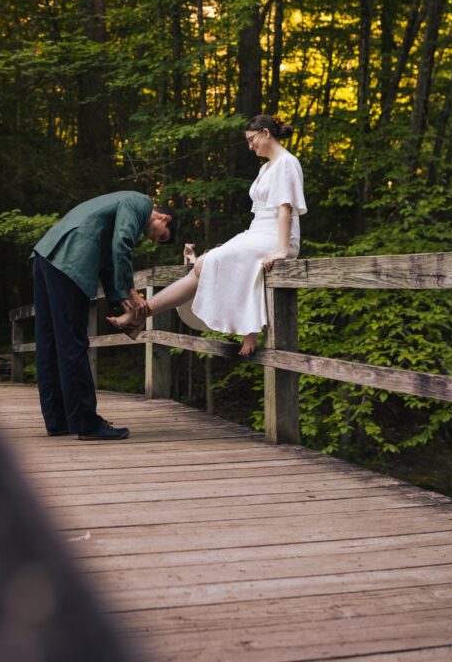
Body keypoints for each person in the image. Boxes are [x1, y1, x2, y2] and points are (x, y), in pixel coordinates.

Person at [108, 115, 306, 357]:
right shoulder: (265, 168)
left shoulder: (287, 162)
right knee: (205, 261)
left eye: (252, 139)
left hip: (275, 236)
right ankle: (142, 313)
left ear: (266, 133)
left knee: (207, 262)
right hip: (257, 232)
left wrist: (282, 250)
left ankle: (143, 314)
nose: (250, 146)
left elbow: (285, 208)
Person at [31, 192, 178, 440]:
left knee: (50, 344)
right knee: (72, 343)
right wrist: (131, 291)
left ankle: (58, 420)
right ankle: (86, 423)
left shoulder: (120, 208)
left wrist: (122, 299)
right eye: (161, 235)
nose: (155, 240)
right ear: (165, 218)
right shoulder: (140, 202)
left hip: (45, 256)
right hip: (69, 259)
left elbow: (110, 259)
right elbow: (122, 243)